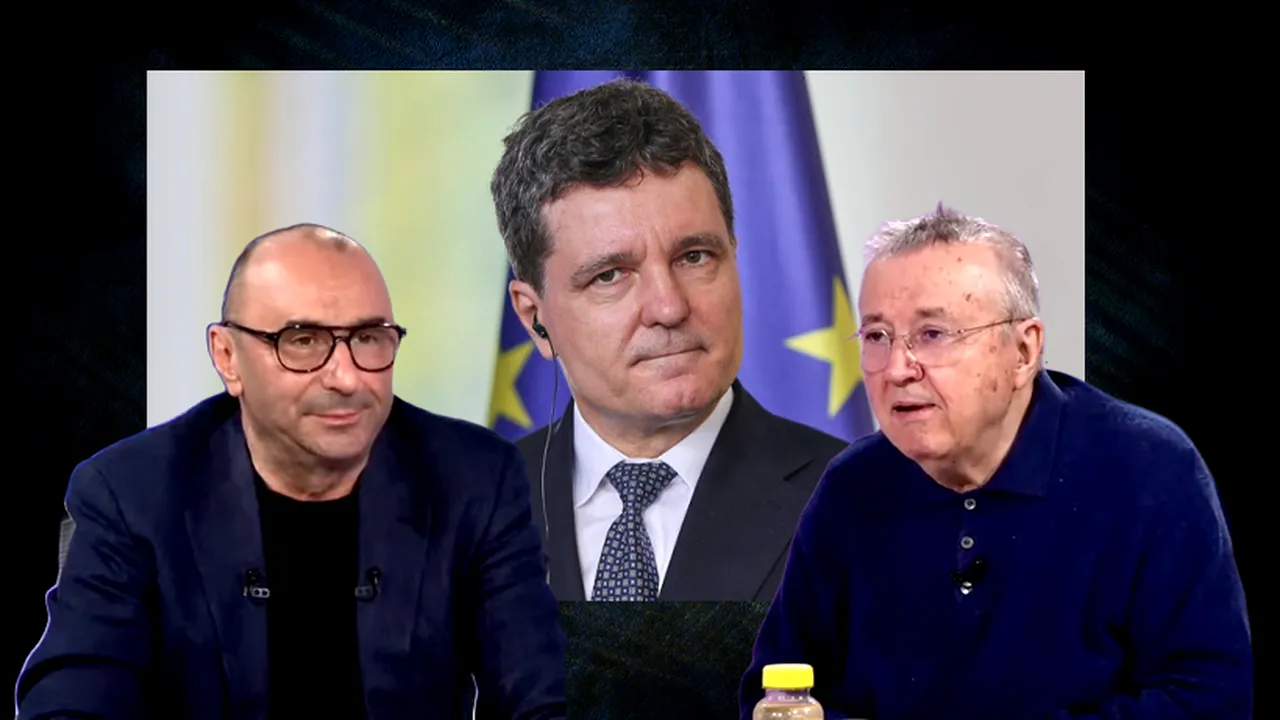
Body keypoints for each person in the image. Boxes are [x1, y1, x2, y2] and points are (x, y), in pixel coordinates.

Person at [16, 224, 567, 720]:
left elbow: (539, 696)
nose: (346, 377)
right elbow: (72, 699)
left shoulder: (474, 478)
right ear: (227, 357)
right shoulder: (130, 494)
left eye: (368, 338)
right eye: (303, 342)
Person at [739, 204, 1253, 719]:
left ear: (1023, 352)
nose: (896, 369)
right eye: (877, 337)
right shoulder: (852, 486)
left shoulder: (1149, 469)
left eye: (932, 334)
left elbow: (1210, 698)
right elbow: (775, 695)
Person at [489, 78, 848, 603]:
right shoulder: (463, 513)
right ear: (534, 318)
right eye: (610, 275)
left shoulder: (862, 505)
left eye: (694, 257)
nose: (669, 307)